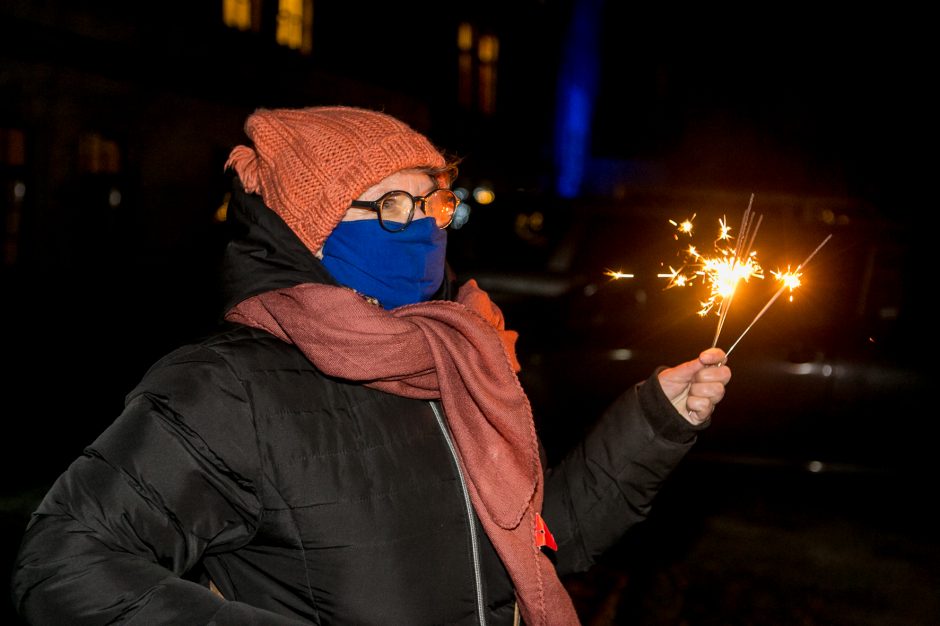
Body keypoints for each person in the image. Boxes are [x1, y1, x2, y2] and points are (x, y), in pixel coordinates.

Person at [10, 106, 731, 625]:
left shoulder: (462, 354)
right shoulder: (229, 388)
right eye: (389, 204)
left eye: (431, 201)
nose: (419, 225)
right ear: (307, 229)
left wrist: (655, 422)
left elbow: (544, 541)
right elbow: (66, 564)